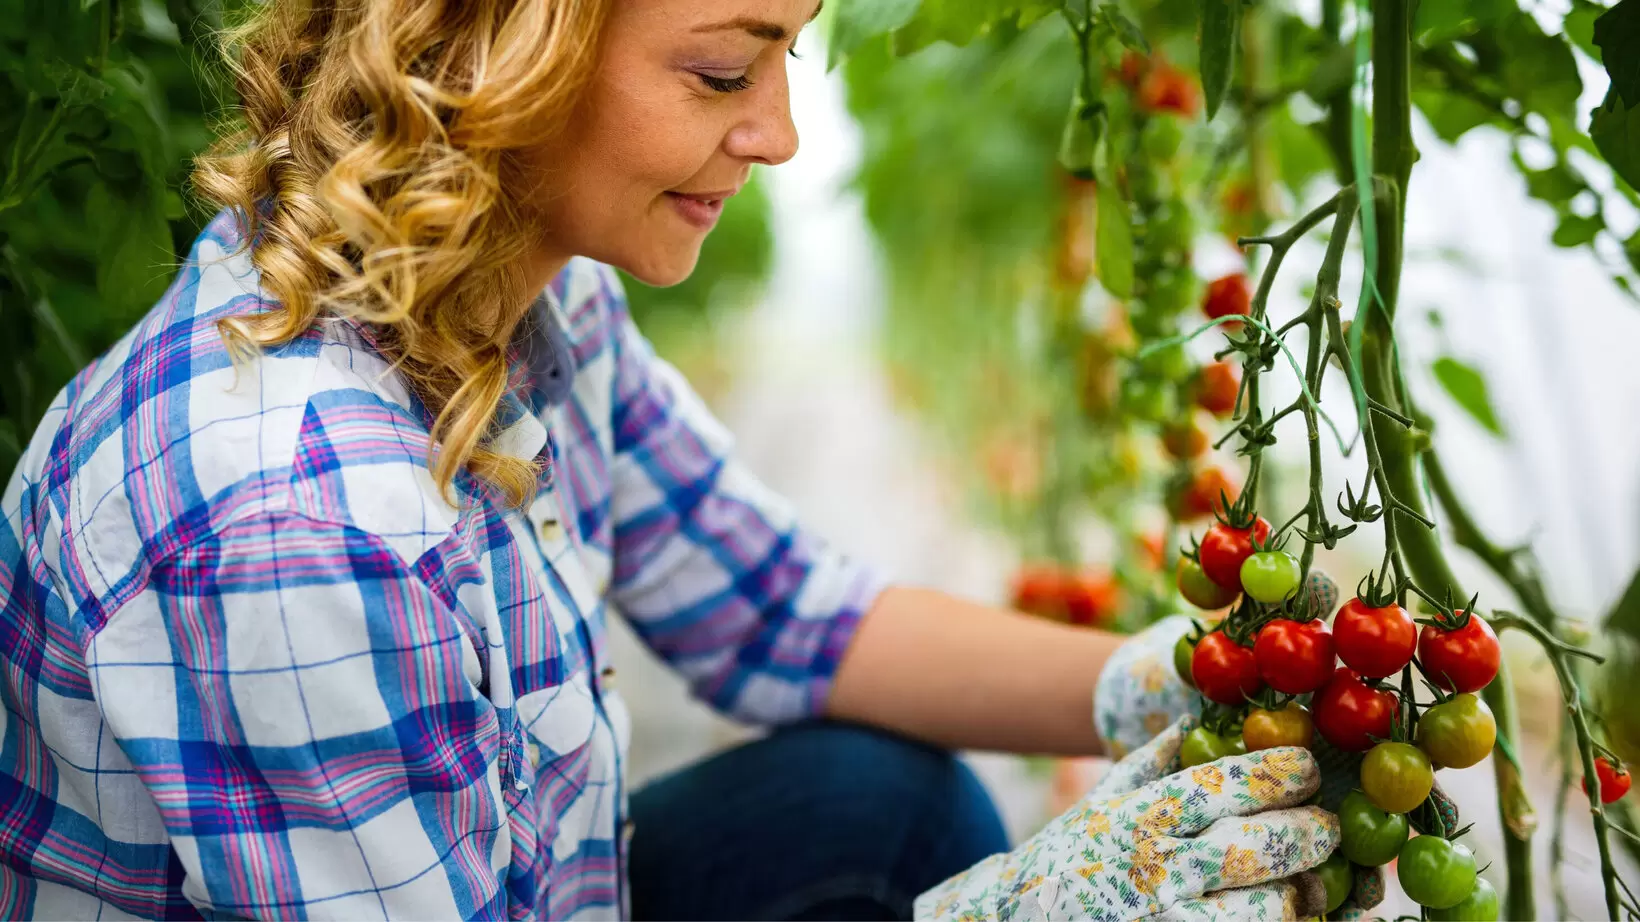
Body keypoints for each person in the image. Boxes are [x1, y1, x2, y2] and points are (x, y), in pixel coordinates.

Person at [0, 0, 1345, 918]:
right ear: (508, 45)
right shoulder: (299, 514)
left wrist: (1176, 683)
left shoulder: (533, 297)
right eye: (720, 73)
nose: (780, 134)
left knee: (878, 805)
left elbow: (787, 615)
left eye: (787, 59)